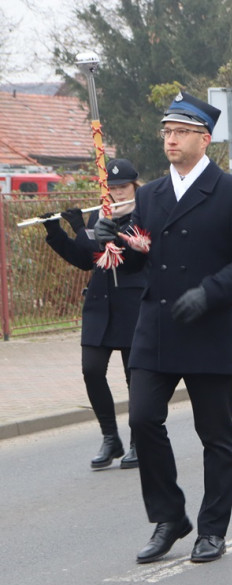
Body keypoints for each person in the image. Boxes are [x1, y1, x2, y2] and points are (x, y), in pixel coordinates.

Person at [95, 91, 232, 563]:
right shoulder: (149, 194)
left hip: (206, 324)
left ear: (204, 138)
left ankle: (212, 528)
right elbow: (142, 261)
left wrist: (212, 292)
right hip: (155, 324)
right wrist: (116, 243)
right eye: (166, 132)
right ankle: (170, 516)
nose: (170, 139)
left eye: (180, 132)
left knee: (214, 433)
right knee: (142, 419)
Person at [42, 158, 144, 470]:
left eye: (122, 187)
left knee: (134, 377)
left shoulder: (142, 217)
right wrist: (58, 232)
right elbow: (86, 259)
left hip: (133, 304)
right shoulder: (100, 216)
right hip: (100, 304)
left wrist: (91, 231)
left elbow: (130, 259)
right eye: (111, 188)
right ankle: (110, 437)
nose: (116, 193)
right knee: (91, 369)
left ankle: (140, 440)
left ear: (134, 187)